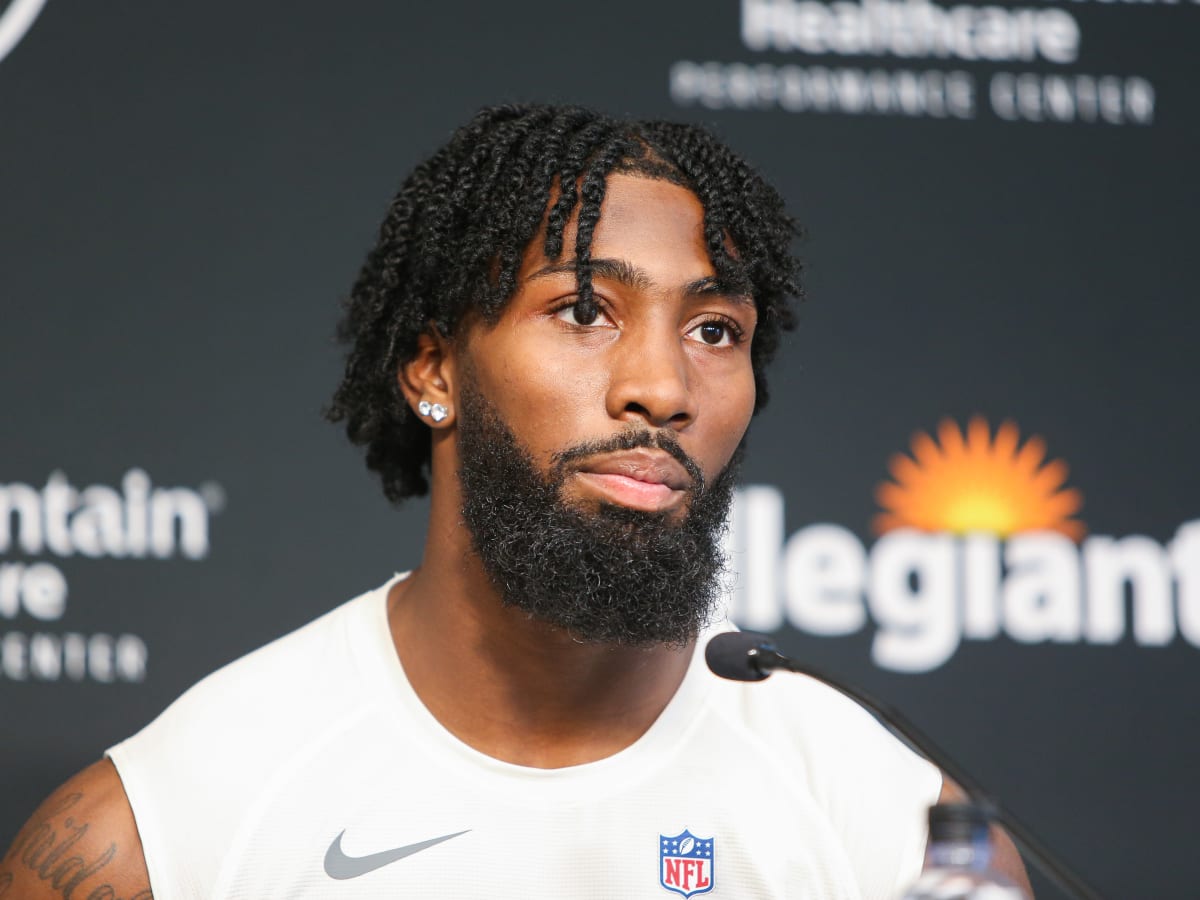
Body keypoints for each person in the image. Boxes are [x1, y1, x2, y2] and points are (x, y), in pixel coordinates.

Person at [1, 104, 1031, 899]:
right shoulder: (155, 838)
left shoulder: (901, 831)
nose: (664, 388)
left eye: (715, 330)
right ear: (433, 369)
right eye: (585, 309)